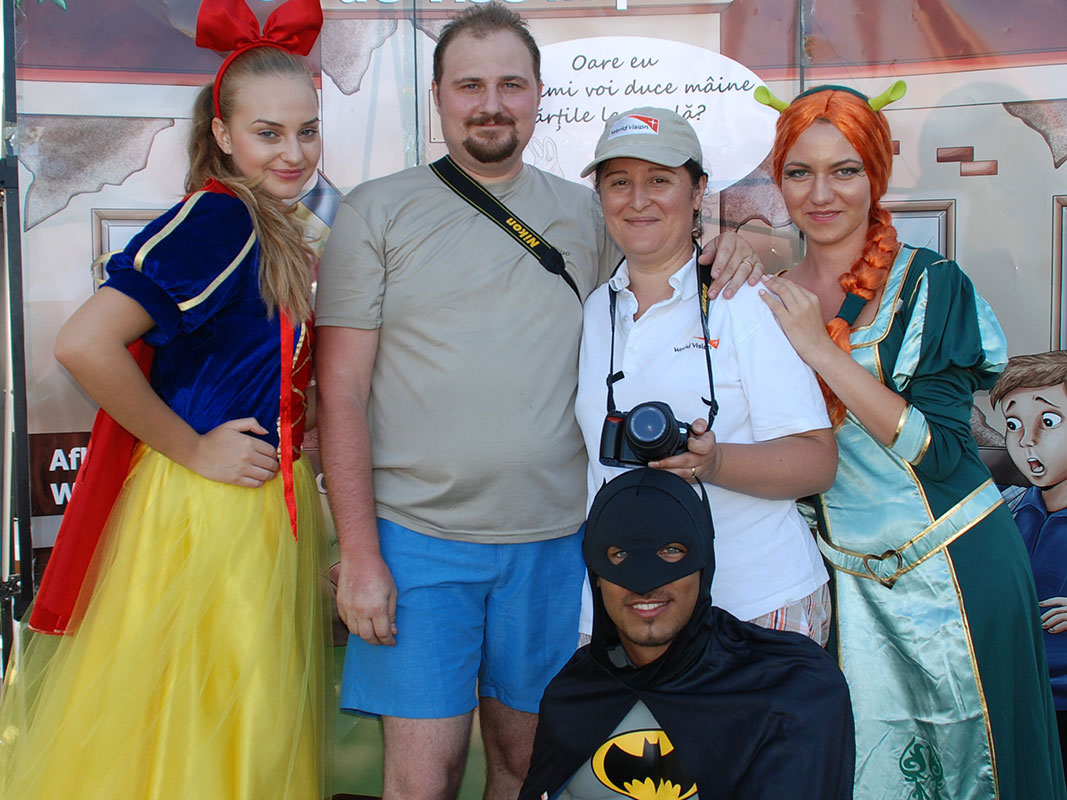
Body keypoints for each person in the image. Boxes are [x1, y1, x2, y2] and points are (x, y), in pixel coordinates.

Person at [314, 4, 762, 797]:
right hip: (416, 542)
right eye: (470, 85)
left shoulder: (588, 214)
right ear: (437, 95)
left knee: (528, 772)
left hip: (557, 545)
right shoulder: (375, 211)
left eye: (510, 85)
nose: (490, 104)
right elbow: (340, 389)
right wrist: (359, 552)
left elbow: (669, 252)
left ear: (537, 95)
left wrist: (749, 243)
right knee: (422, 779)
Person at [0, 1, 330, 797]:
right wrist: (194, 448)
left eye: (307, 131)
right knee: (217, 729)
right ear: (222, 133)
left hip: (250, 506)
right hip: (213, 515)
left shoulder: (264, 222)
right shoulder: (222, 220)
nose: (292, 152)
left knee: (215, 722)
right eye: (268, 133)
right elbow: (84, 343)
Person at [758, 83, 1066, 799]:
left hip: (955, 572)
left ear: (875, 175)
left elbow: (942, 451)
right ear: (778, 181)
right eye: (800, 172)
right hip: (840, 591)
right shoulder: (762, 296)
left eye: (844, 170)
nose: (821, 193)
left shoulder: (931, 284)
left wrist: (820, 348)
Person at [574, 107, 837, 646]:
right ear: (600, 197)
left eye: (660, 180)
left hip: (756, 607)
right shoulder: (595, 309)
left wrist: (714, 463)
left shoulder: (743, 300)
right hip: (635, 618)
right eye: (619, 182)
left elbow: (817, 461)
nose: (638, 199)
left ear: (698, 193)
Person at [520, 468, 855, 800]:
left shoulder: (791, 691)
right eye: (620, 555)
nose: (644, 583)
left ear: (703, 564)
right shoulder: (573, 700)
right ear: (596, 575)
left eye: (671, 551)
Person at [991, 350, 1067, 779]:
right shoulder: (1007, 508)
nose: (1026, 440)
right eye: (1013, 425)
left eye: (1049, 422)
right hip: (1013, 699)